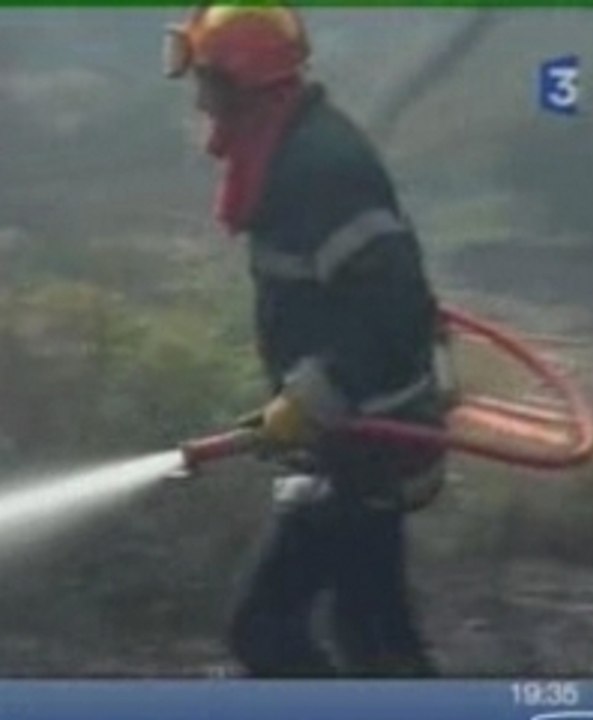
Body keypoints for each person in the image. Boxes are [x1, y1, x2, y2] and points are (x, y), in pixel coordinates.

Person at [164, 2, 450, 677]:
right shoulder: (283, 151)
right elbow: (333, 305)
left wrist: (311, 397)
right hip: (347, 437)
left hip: (370, 439)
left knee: (263, 630)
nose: (200, 100)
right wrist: (297, 404)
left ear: (246, 85)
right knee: (375, 637)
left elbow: (398, 312)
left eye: (206, 81)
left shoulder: (322, 168)